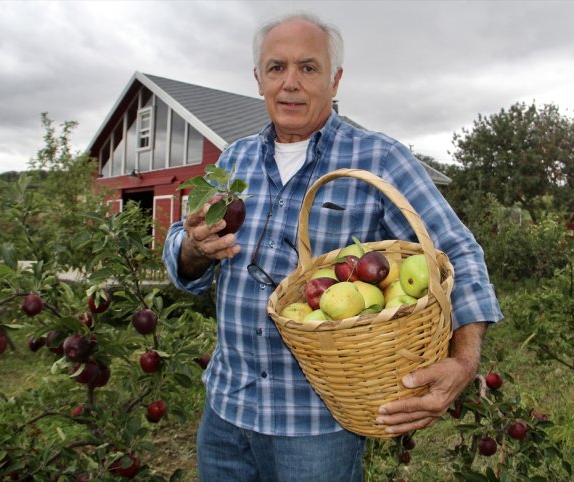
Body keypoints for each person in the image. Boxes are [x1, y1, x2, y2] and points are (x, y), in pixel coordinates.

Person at [162, 11, 503, 482]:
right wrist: (195, 249)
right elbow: (182, 252)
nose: (291, 84)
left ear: (335, 78)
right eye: (276, 68)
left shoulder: (378, 158)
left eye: (308, 67)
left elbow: (458, 252)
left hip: (317, 425)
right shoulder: (234, 159)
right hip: (225, 412)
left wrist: (463, 362)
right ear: (258, 78)